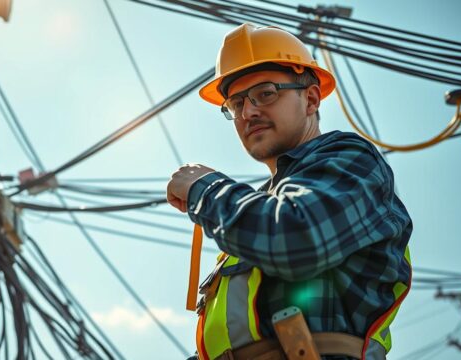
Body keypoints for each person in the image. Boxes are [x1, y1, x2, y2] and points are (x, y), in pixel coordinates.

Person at [166, 23, 412, 360]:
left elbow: (296, 238)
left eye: (265, 93)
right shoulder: (255, 211)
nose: (248, 112)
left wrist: (204, 188)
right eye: (236, 104)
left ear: (310, 99)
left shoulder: (350, 159)